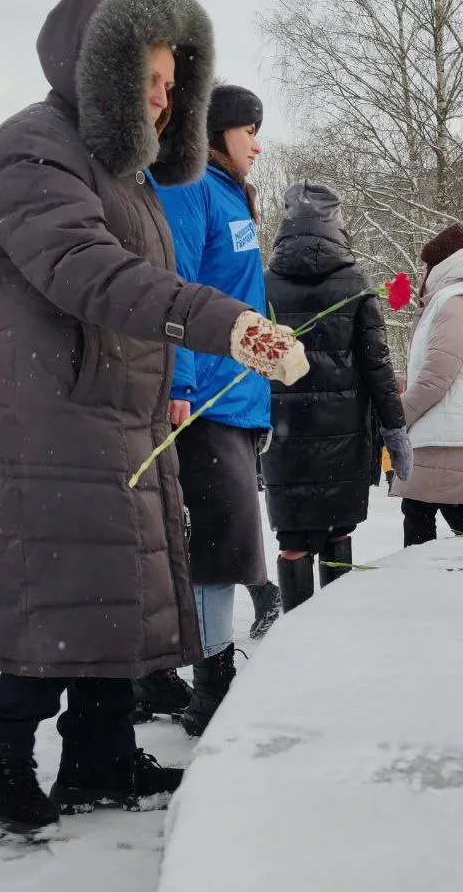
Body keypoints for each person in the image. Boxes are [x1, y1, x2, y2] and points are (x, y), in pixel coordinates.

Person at [0, 0, 308, 836]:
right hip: (52, 412)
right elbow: (88, 271)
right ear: (101, 70)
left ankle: (98, 758)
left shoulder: (124, 175)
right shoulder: (32, 147)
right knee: (70, 588)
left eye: (175, 84)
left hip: (116, 410)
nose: (166, 100)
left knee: (118, 587)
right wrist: (226, 325)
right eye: (151, 80)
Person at [152, 83, 281, 736]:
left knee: (221, 543)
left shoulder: (232, 193)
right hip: (200, 398)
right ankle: (212, 686)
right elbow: (171, 288)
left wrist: (274, 365)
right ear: (215, 130)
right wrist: (177, 383)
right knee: (217, 545)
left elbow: (239, 297)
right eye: (249, 131)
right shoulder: (189, 185)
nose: (258, 145)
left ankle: (164, 676)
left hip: (235, 396)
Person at [262, 181, 410, 609]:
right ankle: (333, 624)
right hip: (343, 435)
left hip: (284, 433)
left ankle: (295, 630)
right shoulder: (356, 284)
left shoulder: (263, 284)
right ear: (336, 223)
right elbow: (377, 366)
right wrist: (394, 429)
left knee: (292, 538)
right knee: (337, 529)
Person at [391, 224, 463, 545]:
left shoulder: (457, 301)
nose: (422, 275)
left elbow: (437, 375)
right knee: (452, 517)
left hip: (449, 435)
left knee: (435, 515)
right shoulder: (456, 299)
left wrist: (398, 414)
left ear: (439, 266)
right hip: (449, 431)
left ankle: (427, 575)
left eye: (425, 267)